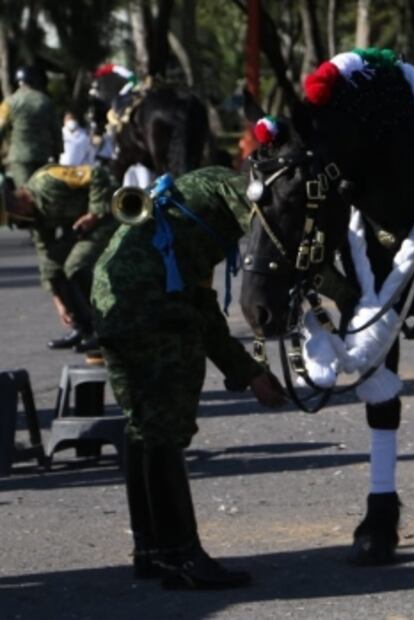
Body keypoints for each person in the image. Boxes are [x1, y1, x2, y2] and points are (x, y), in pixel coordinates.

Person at [90, 167, 286, 590]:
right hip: (152, 305)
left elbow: (201, 303)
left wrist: (249, 372)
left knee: (143, 427)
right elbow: (267, 233)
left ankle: (152, 551)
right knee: (165, 430)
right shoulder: (230, 193)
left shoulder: (191, 196)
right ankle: (184, 555)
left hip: (112, 300)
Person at [1, 163, 118, 353]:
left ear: (18, 203)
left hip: (106, 217)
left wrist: (93, 214)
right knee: (53, 267)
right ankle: (83, 328)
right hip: (80, 230)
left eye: (15, 220)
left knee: (75, 264)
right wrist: (59, 301)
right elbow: (45, 256)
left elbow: (96, 174)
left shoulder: (48, 180)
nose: (19, 224)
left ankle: (105, 327)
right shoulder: (34, 216)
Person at [0, 67, 62, 187]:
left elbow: (1, 127)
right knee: (40, 191)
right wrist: (57, 153)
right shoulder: (46, 101)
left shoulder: (10, 102)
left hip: (19, 157)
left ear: (18, 81)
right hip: (42, 155)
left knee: (24, 194)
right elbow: (56, 130)